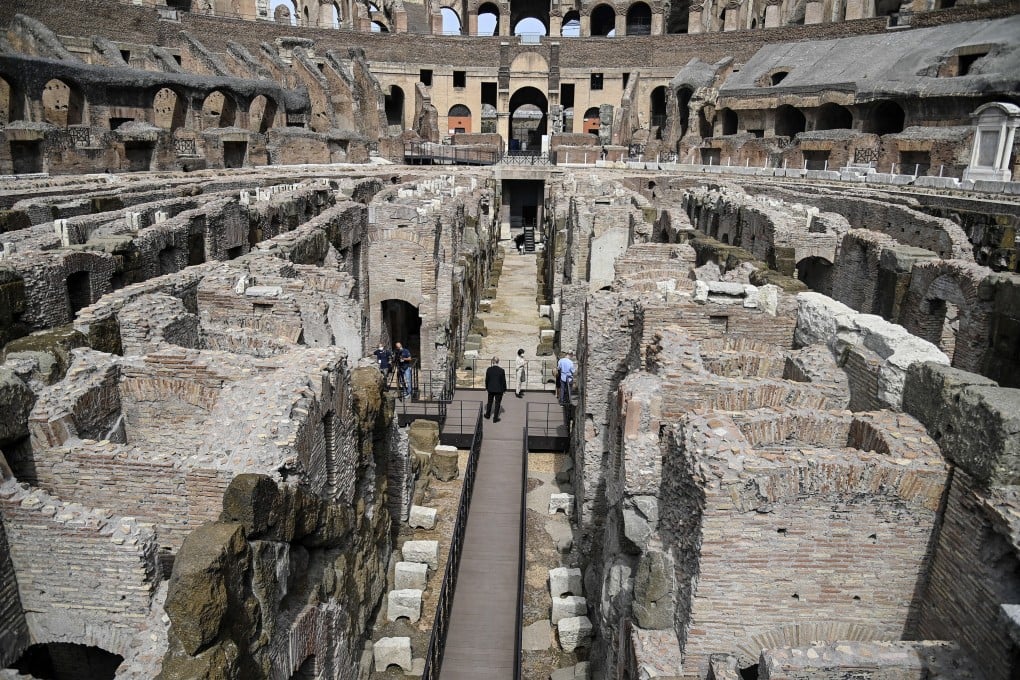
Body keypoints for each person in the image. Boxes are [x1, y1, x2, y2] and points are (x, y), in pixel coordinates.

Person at [484, 356, 507, 422]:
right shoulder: (501, 370)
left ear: (492, 361)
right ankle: (495, 418)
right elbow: (503, 381)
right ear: (498, 362)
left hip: (490, 389)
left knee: (489, 402)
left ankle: (487, 415)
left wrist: (486, 387)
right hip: (499, 389)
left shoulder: (489, 369)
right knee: (497, 404)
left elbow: (487, 380)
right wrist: (504, 389)